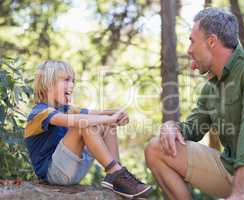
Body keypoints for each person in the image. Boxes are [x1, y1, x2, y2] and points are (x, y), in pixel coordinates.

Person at [144, 7, 244, 200]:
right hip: (231, 169)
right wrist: (171, 127)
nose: (189, 50)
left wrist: (239, 193)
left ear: (211, 41)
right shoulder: (211, 87)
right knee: (156, 148)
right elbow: (193, 128)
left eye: (192, 41)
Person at [24, 60, 152, 199]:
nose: (71, 85)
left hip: (72, 169)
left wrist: (118, 113)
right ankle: (115, 172)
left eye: (73, 80)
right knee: (84, 125)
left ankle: (119, 177)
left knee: (103, 125)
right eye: (66, 80)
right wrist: (109, 118)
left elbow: (98, 113)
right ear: (48, 84)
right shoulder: (39, 113)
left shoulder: (68, 109)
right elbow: (78, 121)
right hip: (53, 174)